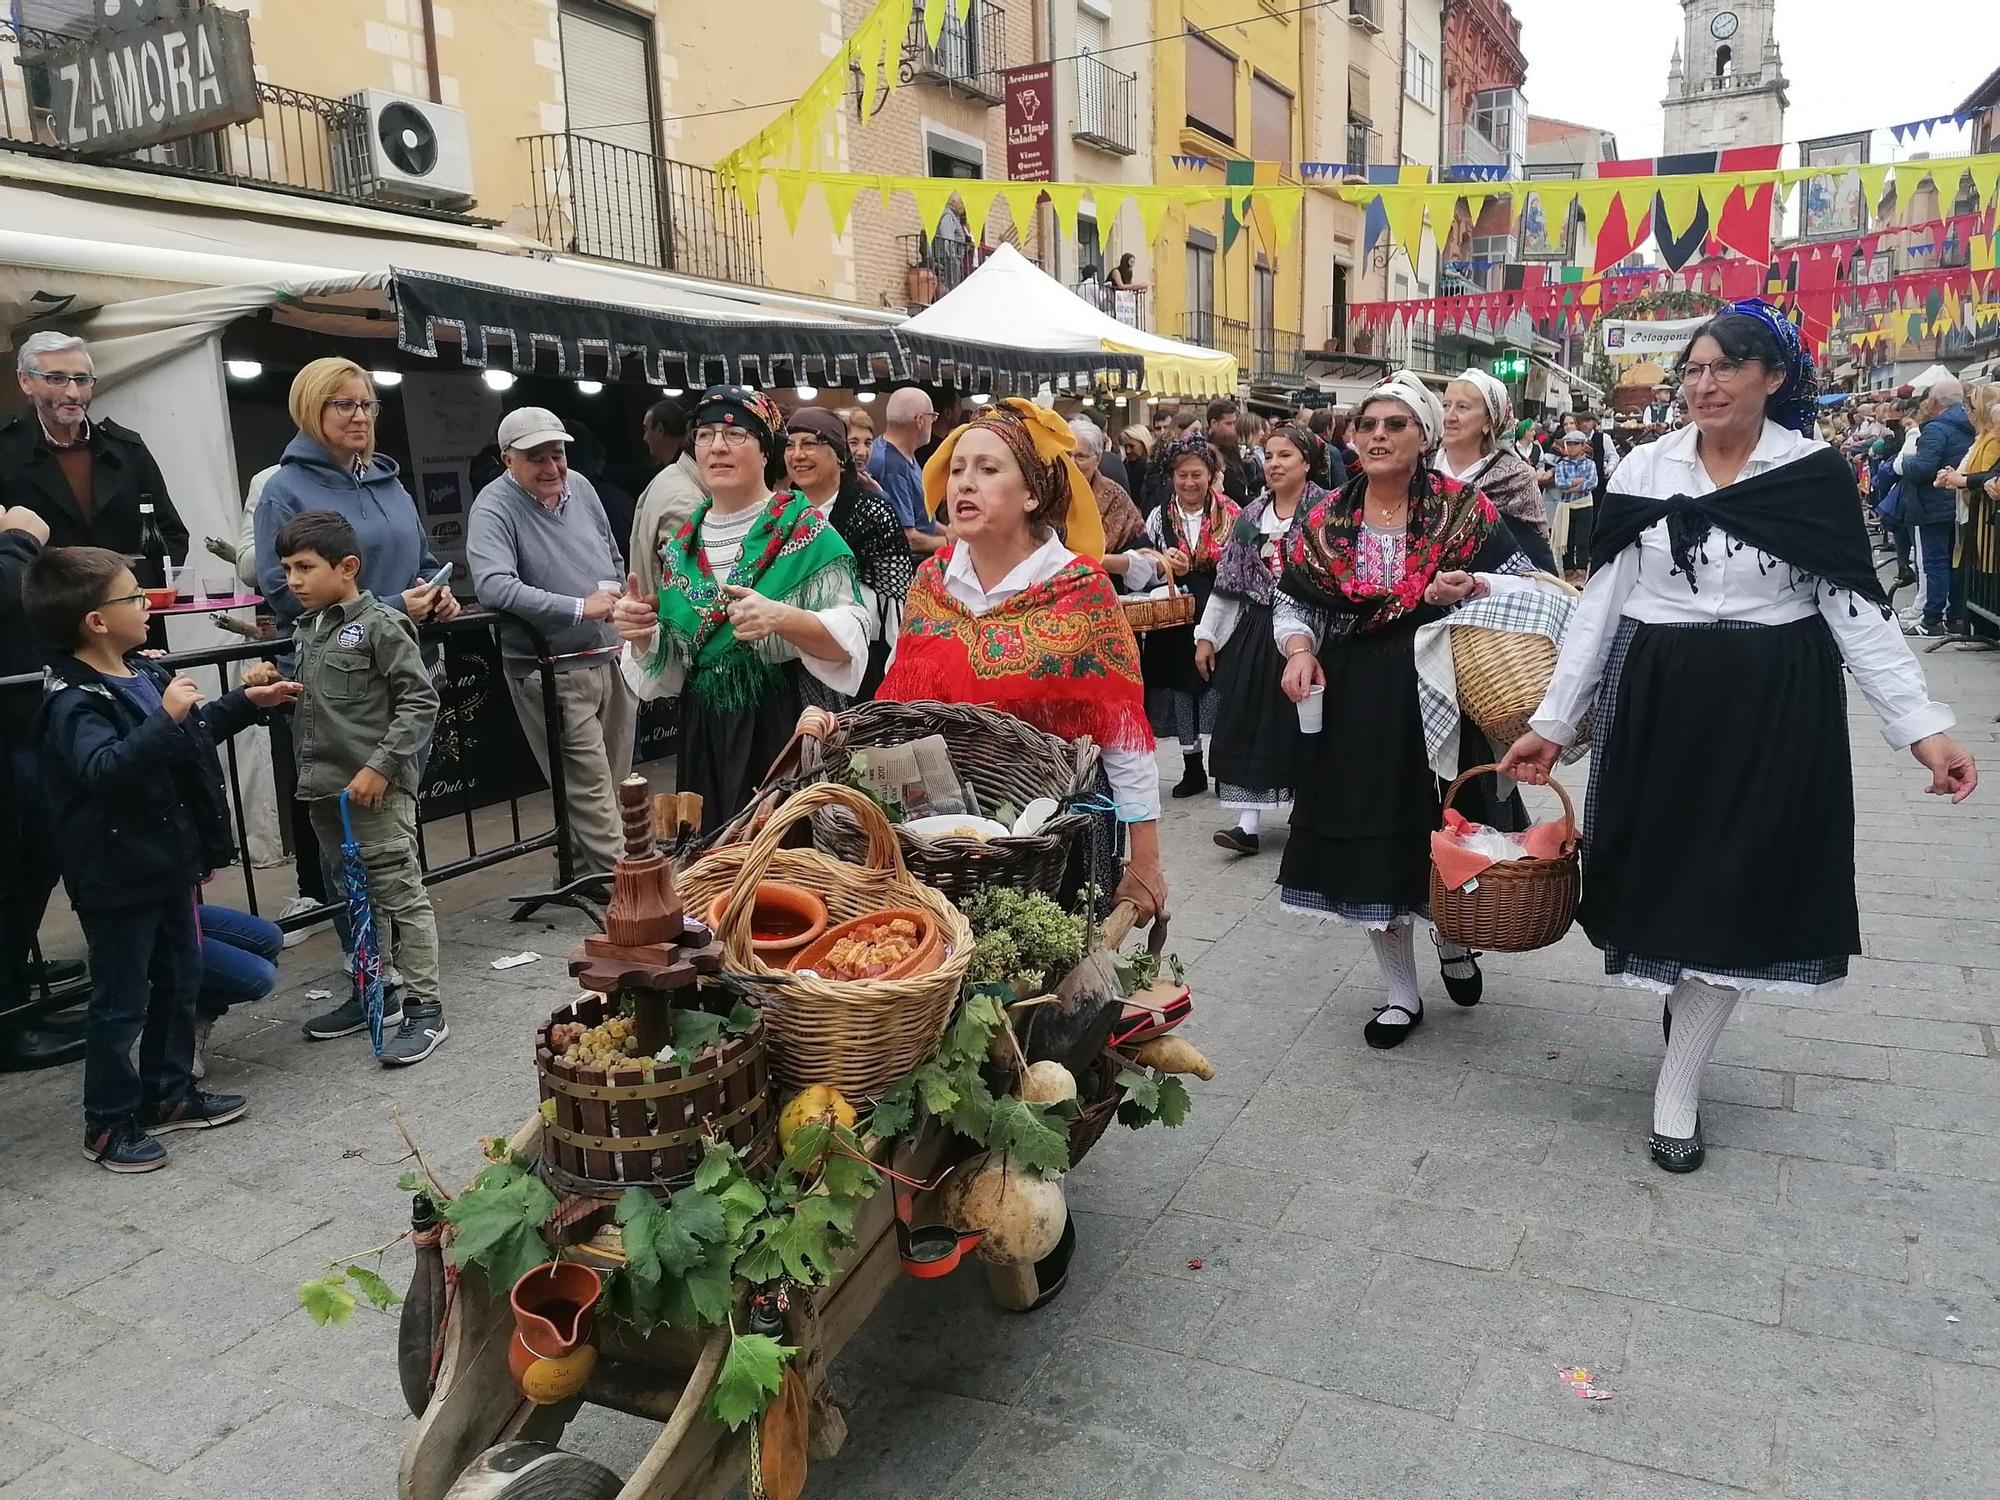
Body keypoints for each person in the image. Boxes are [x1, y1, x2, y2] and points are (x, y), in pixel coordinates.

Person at [1501, 300, 1979, 1172]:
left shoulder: (1813, 474)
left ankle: (1678, 1082)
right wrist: (1552, 721)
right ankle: (1688, 1004)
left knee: (1745, 882)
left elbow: (1854, 608)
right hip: (1660, 694)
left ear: (1773, 378)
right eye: (1693, 369)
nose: (1706, 383)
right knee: (1670, 877)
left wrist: (1924, 731)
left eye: (1724, 366)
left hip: (1774, 700)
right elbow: (1600, 603)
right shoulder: (1646, 467)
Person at [1276, 372, 1537, 1050]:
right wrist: (1299, 650)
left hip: (1443, 689)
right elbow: (1293, 600)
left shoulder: (1463, 509)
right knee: (1372, 841)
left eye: (1396, 425)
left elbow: (1529, 580)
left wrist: (1471, 582)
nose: (1379, 436)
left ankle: (1454, 938)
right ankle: (1399, 993)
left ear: (1423, 437)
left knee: (1443, 825)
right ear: (1354, 438)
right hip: (1358, 696)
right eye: (1368, 426)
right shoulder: (1325, 515)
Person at [24, 546, 300, 1170]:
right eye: (132, 596)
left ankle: (169, 1094)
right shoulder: (74, 700)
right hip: (117, 877)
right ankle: (108, 1123)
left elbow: (188, 736)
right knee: (123, 1001)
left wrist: (245, 706)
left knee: (180, 980)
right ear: (96, 620)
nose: (148, 602)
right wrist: (165, 719)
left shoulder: (141, 674)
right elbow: (104, 772)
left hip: (168, 865)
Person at [874, 398, 1166, 924]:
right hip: (940, 844)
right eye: (958, 469)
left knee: (1046, 989)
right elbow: (895, 711)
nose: (965, 483)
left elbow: (1123, 734)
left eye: (988, 469)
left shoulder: (1081, 591)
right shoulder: (930, 583)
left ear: (1032, 492)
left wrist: (1145, 860)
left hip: (1055, 844)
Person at [613, 388, 868, 823]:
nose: (716, 447)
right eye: (705, 435)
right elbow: (673, 671)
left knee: (781, 865)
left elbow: (850, 642)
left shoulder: (804, 530)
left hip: (780, 723)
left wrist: (781, 617)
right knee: (712, 862)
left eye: (735, 435)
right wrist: (643, 636)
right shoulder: (682, 549)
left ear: (765, 448)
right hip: (703, 731)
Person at [278, 510, 447, 1065]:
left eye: (305, 567)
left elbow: (419, 700)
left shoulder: (381, 625)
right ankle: (378, 991)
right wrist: (271, 686)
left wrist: (381, 765)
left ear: (347, 567)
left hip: (373, 792)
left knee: (400, 895)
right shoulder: (306, 629)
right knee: (355, 898)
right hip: (324, 792)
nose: (294, 581)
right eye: (287, 569)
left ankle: (427, 1009)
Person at [467, 407, 636, 877]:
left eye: (557, 454)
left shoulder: (580, 486)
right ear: (507, 460)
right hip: (550, 668)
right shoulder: (493, 506)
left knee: (617, 781)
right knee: (590, 787)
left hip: (610, 654)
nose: (552, 467)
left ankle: (588, 874)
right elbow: (494, 586)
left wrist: (615, 602)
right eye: (535, 457)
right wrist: (581, 607)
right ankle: (628, 889)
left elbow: (610, 554)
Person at [1198, 424, 1318, 856]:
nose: (1274, 464)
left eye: (1285, 455)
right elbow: (1230, 582)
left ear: (1306, 462)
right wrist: (1208, 636)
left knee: (1305, 727)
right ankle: (1247, 824)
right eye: (1269, 456)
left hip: (1313, 631)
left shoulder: (1324, 512)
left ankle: (1309, 815)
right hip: (1257, 631)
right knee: (1248, 723)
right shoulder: (1251, 518)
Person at [0, 332, 188, 559]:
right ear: (25, 381)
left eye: (81, 380)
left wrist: (134, 584)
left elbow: (172, 535)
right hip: (39, 593)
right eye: (56, 378)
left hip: (125, 592)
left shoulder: (127, 450)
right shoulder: (6, 450)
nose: (72, 393)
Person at [782, 406, 915, 700]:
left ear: (838, 454)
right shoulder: (778, 513)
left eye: (809, 444)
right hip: (789, 671)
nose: (797, 455)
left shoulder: (872, 512)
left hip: (864, 665)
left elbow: (893, 602)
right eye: (790, 445)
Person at [1144, 433, 1240, 798]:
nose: (1189, 482)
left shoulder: (1231, 513)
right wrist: (1163, 562)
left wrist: (1207, 564)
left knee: (1218, 689)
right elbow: (1146, 565)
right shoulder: (1158, 517)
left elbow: (1241, 567)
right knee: (1183, 692)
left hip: (1218, 608)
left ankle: (1225, 768)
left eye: (1196, 474)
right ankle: (1192, 767)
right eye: (1182, 475)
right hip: (1174, 617)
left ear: (1210, 474)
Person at [1437, 369, 1553, 568]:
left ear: (1488, 422)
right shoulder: (1421, 466)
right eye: (1446, 405)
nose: (1449, 416)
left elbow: (1534, 561)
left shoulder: (1515, 477)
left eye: (1463, 407)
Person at [1898, 377, 1974, 637]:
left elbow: (1923, 468)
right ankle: (1955, 616)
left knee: (1936, 563)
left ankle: (1932, 619)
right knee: (1955, 563)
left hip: (1933, 504)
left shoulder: (1936, 429)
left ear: (1934, 401)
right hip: (1957, 504)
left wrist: (1906, 462)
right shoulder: (1968, 424)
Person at [190, 904, 285, 1082]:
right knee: (260, 975)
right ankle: (174, 1037)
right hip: (149, 920)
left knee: (269, 938)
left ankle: (196, 1016)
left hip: (181, 907)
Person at [631, 397, 705, 600]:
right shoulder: (686, 500)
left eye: (646, 429)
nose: (645, 437)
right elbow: (687, 588)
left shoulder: (672, 479)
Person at [870, 387, 942, 555]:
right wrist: (949, 543)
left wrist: (951, 533)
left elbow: (920, 519)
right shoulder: (891, 465)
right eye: (933, 417)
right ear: (920, 420)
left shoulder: (901, 455)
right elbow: (907, 538)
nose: (933, 422)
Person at [1066, 417, 1146, 553]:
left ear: (1097, 460)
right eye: (1067, 455)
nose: (1072, 463)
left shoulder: (1115, 496)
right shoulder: (1048, 493)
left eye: (1081, 457)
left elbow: (1142, 549)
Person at [1548, 431, 1598, 573]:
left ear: (1583, 446)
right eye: (1568, 444)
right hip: (1566, 506)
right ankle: (1568, 571)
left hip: (1584, 505)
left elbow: (1592, 483)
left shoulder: (1590, 464)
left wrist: (1572, 487)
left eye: (1575, 444)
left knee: (1582, 541)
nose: (1571, 447)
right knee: (1567, 541)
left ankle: (1581, 571)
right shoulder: (1561, 464)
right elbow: (1560, 484)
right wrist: (1578, 482)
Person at [1120, 424, 1171, 517]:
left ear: (1144, 444)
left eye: (1132, 446)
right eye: (1125, 446)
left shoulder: (1155, 470)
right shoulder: (1123, 467)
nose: (1128, 451)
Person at [1306, 408, 1351, 489]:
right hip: (1325, 498)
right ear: (1328, 429)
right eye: (1333, 428)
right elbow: (1342, 486)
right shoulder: (1331, 451)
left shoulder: (1301, 445)